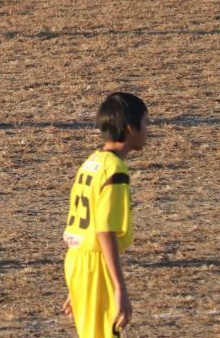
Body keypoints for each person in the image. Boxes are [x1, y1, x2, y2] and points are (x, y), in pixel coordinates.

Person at [62, 92, 149, 337]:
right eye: (145, 123)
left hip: (78, 262)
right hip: (95, 266)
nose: (148, 130)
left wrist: (78, 283)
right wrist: (119, 288)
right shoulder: (115, 170)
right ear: (130, 129)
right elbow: (104, 231)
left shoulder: (91, 162)